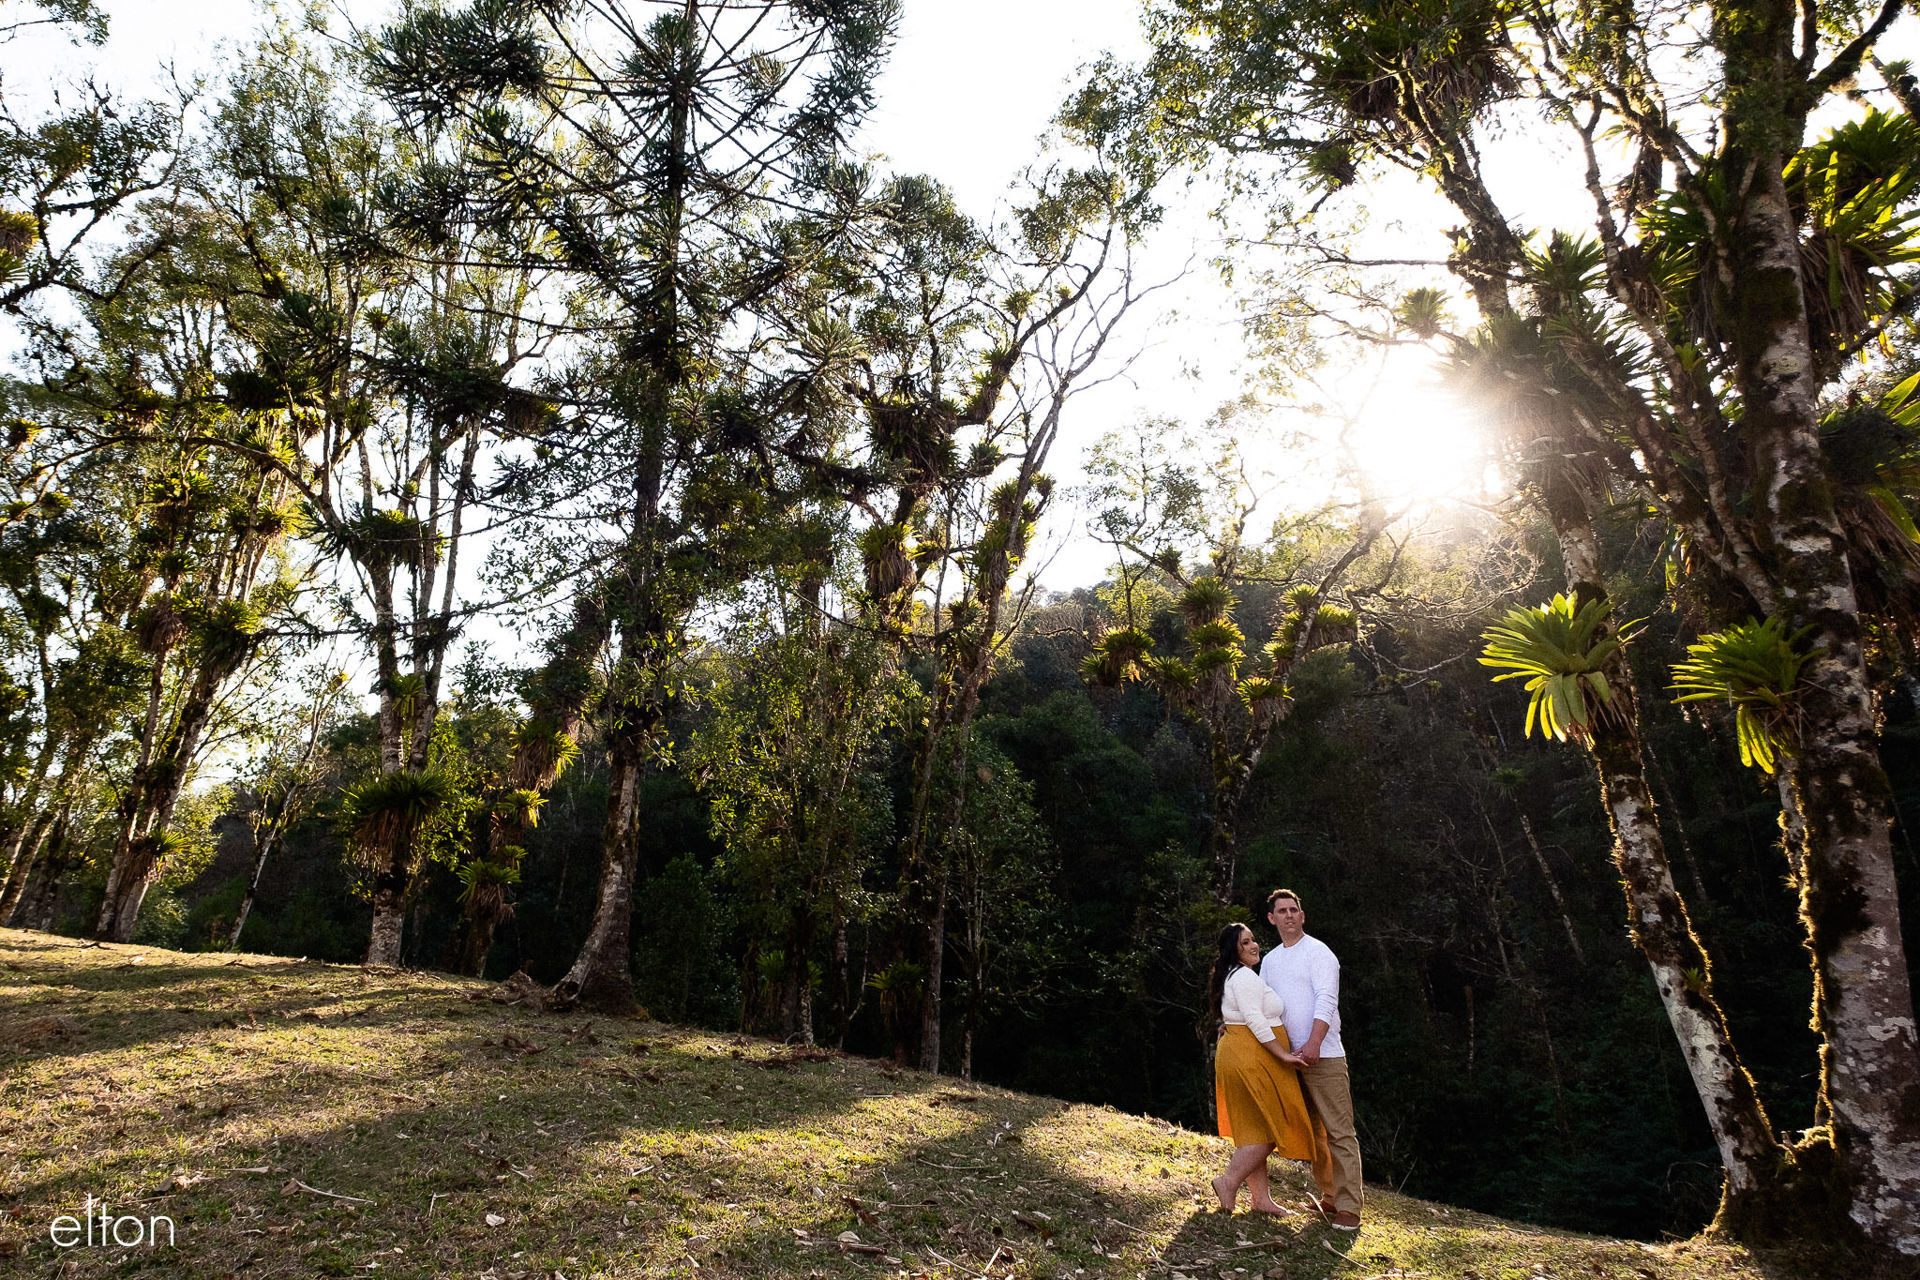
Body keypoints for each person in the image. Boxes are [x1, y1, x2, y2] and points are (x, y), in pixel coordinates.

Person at [1260, 887, 1362, 1230]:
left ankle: (1350, 1207)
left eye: (1294, 910)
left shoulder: (1319, 953)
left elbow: (1326, 999)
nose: (1289, 915)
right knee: (1315, 1131)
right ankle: (1331, 1196)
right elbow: (1262, 1006)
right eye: (1282, 911)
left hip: (1324, 1055)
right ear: (1272, 919)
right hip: (1289, 1058)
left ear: (1302, 916)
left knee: (1339, 1131)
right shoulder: (1271, 961)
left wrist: (1315, 1042)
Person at [1207, 921, 1316, 1216]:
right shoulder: (1243, 977)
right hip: (1249, 1056)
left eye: (1253, 940)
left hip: (1242, 1052)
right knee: (1269, 1129)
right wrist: (1283, 1055)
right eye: (1245, 943)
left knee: (1254, 1128)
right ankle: (1228, 1181)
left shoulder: (1237, 976)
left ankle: (1260, 1200)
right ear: (1234, 950)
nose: (1253, 945)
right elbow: (1255, 1020)